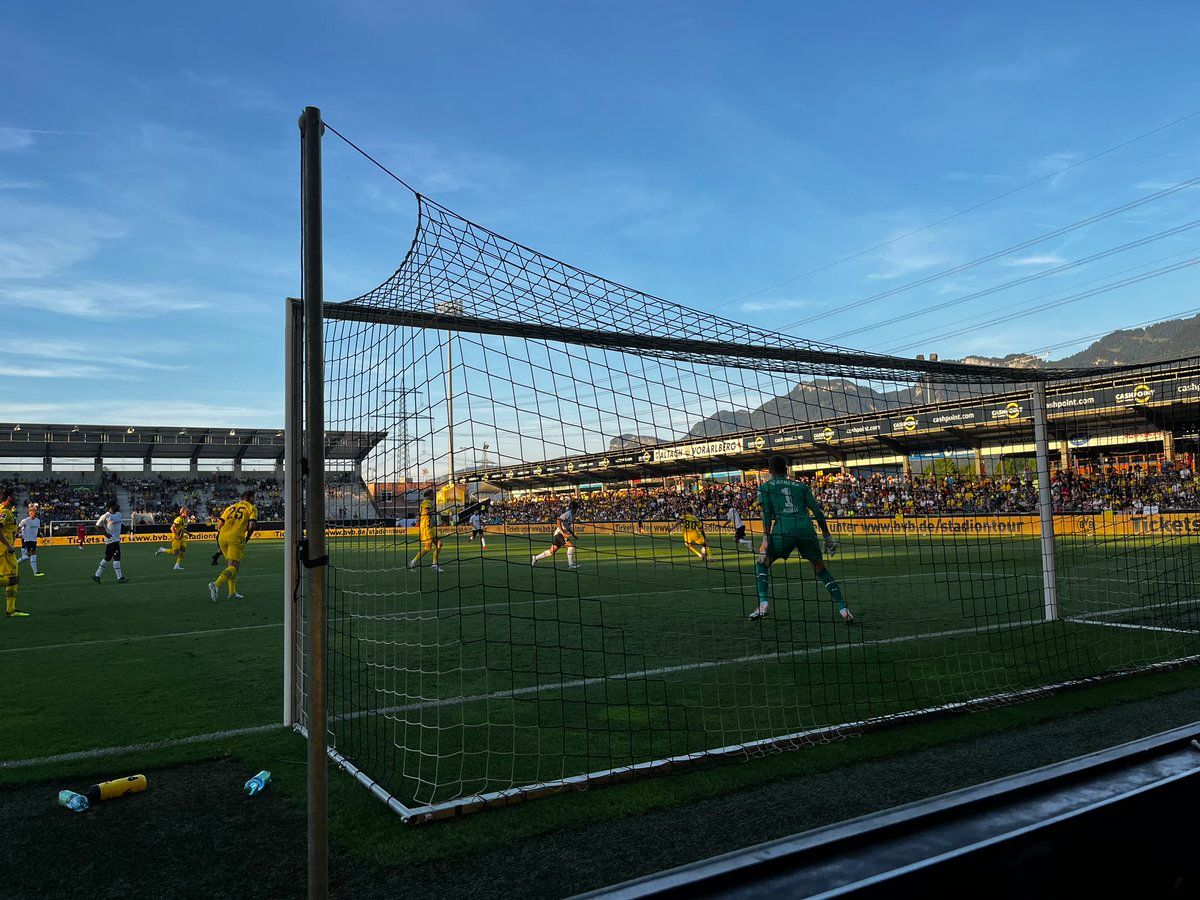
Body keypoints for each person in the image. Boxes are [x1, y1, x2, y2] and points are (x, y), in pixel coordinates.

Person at [750, 456, 852, 623]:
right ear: (787, 469)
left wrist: (766, 538)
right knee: (821, 569)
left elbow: (767, 514)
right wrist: (827, 536)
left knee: (762, 563)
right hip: (806, 528)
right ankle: (843, 608)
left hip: (784, 528)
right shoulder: (801, 486)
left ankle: (763, 603)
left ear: (770, 471)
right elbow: (818, 512)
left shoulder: (765, 487)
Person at [209, 490, 257, 601]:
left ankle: (232, 592)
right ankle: (216, 584)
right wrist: (248, 537)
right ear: (251, 498)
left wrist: (221, 533)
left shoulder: (230, 507)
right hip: (235, 537)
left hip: (222, 537)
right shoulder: (251, 508)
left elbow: (220, 523)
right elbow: (252, 525)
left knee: (231, 566)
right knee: (234, 567)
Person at [532, 499, 580, 569]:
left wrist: (573, 535)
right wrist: (563, 532)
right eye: (577, 508)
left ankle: (536, 558)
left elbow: (567, 526)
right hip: (559, 534)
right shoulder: (568, 514)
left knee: (551, 552)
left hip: (559, 535)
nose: (577, 509)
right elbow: (558, 521)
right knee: (571, 547)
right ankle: (571, 564)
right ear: (575, 508)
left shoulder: (572, 515)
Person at [0, 487, 26, 616]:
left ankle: (11, 610)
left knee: (12, 579)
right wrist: (8, 545)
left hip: (4, 551)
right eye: (15, 496)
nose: (17, 498)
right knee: (13, 579)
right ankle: (10, 610)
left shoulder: (5, 511)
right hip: (5, 551)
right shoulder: (5, 512)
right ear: (9, 498)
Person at [92, 500, 128, 584]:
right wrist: (105, 534)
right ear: (110, 507)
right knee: (117, 558)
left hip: (116, 539)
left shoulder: (119, 514)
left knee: (107, 558)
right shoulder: (105, 516)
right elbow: (96, 526)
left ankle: (96, 575)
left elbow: (120, 524)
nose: (117, 506)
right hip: (111, 540)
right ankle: (120, 577)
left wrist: (127, 529)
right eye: (115, 505)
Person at [408, 490, 443, 572]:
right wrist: (436, 513)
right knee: (428, 548)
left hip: (430, 527)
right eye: (432, 495)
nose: (433, 496)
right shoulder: (426, 502)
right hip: (426, 528)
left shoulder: (425, 503)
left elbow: (420, 513)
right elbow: (426, 513)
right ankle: (413, 562)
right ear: (429, 495)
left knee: (439, 544)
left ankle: (434, 564)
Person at [155, 506, 190, 571]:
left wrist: (188, 533)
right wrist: (177, 536)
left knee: (183, 550)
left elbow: (182, 529)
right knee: (175, 552)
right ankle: (162, 550)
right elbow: (172, 528)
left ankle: (177, 565)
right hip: (176, 538)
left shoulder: (186, 519)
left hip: (182, 538)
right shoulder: (178, 519)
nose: (188, 512)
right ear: (182, 512)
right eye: (187, 511)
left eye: (188, 511)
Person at [18, 503, 45, 576]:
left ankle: (14, 564)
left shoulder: (37, 520)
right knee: (33, 554)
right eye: (32, 512)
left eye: (35, 513)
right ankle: (36, 572)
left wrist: (41, 534)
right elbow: (19, 527)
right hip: (27, 540)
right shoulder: (25, 520)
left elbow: (38, 529)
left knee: (28, 556)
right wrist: (19, 534)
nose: (34, 514)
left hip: (34, 540)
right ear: (29, 513)